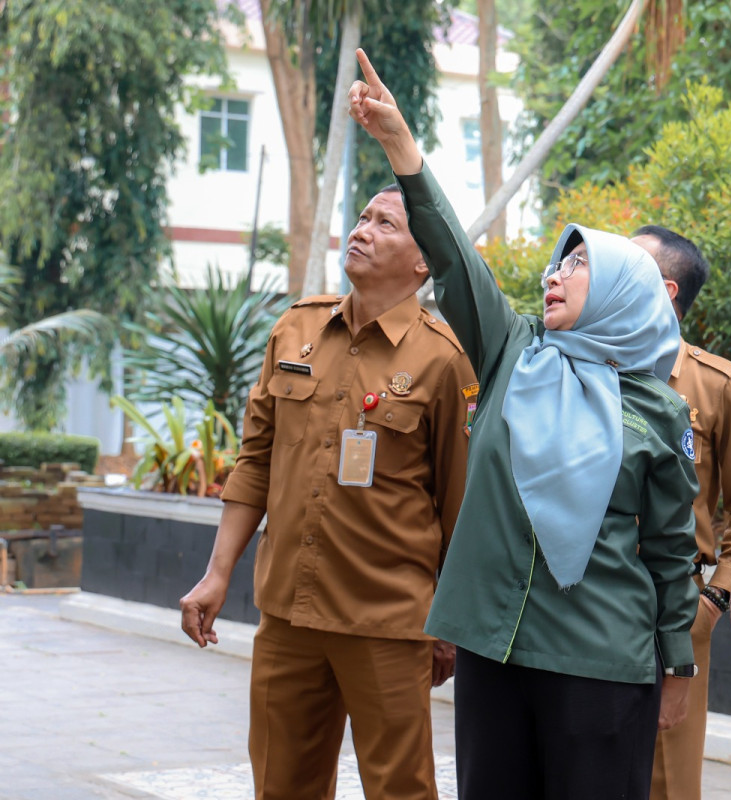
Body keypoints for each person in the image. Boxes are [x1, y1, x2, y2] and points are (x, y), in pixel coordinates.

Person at [348, 50, 701, 800]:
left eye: (576, 267)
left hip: (601, 656)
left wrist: (677, 666)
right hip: (496, 649)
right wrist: (399, 145)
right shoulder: (514, 351)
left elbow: (671, 549)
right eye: (554, 263)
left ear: (624, 294)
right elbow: (447, 252)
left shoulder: (657, 407)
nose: (553, 275)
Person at [179, 183, 475, 798]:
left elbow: (461, 505)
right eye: (363, 216)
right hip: (288, 611)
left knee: (401, 789)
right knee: (282, 786)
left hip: (387, 620)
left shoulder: (445, 361)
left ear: (424, 262)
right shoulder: (297, 328)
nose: (362, 229)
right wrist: (217, 573)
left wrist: (448, 626)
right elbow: (254, 461)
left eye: (386, 224)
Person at [631, 226, 731, 800]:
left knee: (666, 777)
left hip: (671, 612)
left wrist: (711, 603)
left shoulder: (718, 385)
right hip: (580, 606)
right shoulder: (579, 368)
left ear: (667, 290)